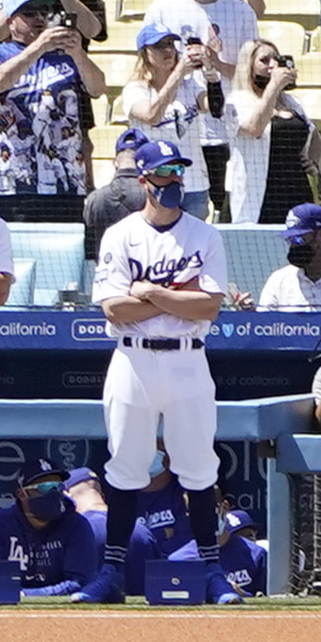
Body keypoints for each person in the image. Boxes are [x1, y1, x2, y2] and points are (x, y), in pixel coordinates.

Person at [87, 131, 229, 579]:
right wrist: (172, 296)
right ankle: (111, 573)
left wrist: (148, 292)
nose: (174, 180)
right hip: (133, 360)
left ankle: (211, 572)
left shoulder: (204, 235)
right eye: (165, 172)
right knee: (127, 465)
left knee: (198, 466)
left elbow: (209, 305)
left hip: (189, 357)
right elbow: (114, 308)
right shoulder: (121, 235)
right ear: (145, 180)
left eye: (178, 171)